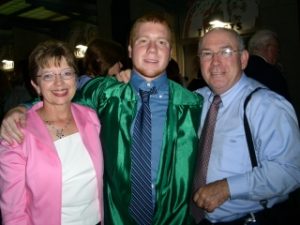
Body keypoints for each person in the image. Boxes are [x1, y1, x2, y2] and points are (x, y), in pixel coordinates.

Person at [0, 13, 203, 225]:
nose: (152, 49)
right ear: (130, 50)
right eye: (143, 41)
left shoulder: (193, 104)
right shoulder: (106, 95)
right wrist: (21, 109)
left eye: (161, 42)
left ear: (170, 51)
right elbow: (61, 95)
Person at [191, 27, 300, 225]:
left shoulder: (266, 105)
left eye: (225, 52)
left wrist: (227, 188)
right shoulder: (197, 100)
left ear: (243, 59)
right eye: (207, 54)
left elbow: (290, 170)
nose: (215, 62)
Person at [0, 40, 104, 225]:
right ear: (36, 85)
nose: (59, 82)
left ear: (76, 79)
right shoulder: (17, 133)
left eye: (66, 73)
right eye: (48, 76)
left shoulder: (91, 118)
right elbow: (13, 210)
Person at [244, 29, 291, 102]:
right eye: (277, 49)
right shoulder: (272, 73)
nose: (278, 54)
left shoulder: (241, 69)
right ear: (269, 48)